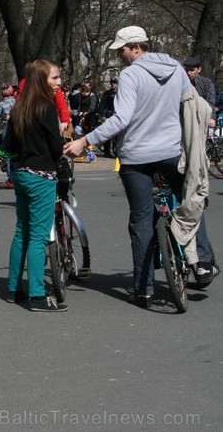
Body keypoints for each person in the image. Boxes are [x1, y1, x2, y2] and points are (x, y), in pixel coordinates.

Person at [63, 25, 215, 307]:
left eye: (121, 49)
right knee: (191, 198)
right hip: (170, 150)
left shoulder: (130, 75)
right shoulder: (175, 68)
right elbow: (189, 103)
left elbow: (122, 119)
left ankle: (143, 288)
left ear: (136, 46)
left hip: (135, 157)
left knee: (141, 220)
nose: (119, 55)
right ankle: (203, 261)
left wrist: (85, 141)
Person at [4, 59, 66, 312]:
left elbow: (9, 147)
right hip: (42, 176)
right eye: (54, 78)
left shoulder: (20, 107)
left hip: (21, 174)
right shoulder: (46, 108)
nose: (59, 82)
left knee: (22, 232)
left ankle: (13, 289)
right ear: (42, 80)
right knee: (39, 237)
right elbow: (56, 146)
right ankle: (38, 296)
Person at [183, 56, 217, 128]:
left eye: (192, 70)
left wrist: (212, 118)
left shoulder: (206, 83)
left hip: (201, 118)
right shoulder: (182, 83)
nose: (189, 73)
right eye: (187, 70)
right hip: (185, 118)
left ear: (199, 70)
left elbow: (210, 101)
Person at [97, 78, 118, 158]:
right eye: (111, 82)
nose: (113, 84)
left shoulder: (121, 93)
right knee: (108, 135)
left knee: (118, 135)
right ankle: (107, 152)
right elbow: (102, 105)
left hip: (118, 114)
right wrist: (102, 116)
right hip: (109, 115)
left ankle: (117, 151)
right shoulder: (107, 94)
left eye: (114, 82)